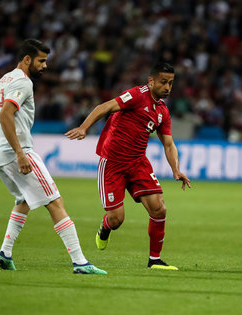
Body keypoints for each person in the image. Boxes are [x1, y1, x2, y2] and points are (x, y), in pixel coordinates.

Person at [0, 39, 106, 276]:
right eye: (41, 61)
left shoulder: (2, 80)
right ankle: (80, 262)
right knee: (55, 202)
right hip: (17, 152)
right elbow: (7, 114)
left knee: (24, 199)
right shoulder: (22, 82)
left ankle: (5, 253)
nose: (45, 66)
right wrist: (17, 152)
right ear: (27, 59)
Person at [65, 62, 191, 270]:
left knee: (159, 208)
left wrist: (175, 170)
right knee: (117, 219)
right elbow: (103, 107)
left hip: (138, 162)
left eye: (170, 83)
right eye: (163, 82)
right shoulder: (136, 95)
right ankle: (105, 227)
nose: (167, 87)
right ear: (150, 82)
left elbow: (168, 143)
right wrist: (84, 128)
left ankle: (154, 260)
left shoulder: (162, 111)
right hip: (113, 163)